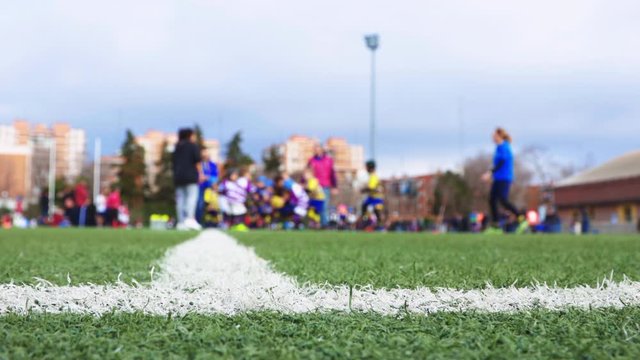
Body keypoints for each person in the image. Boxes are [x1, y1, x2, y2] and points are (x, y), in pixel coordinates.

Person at [482, 128, 528, 234]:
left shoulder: (505, 146)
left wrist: (490, 172)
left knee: (503, 200)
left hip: (505, 178)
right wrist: (491, 173)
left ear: (500, 136)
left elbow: (502, 161)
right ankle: (496, 226)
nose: (492, 137)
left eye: (494, 135)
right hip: (498, 178)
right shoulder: (498, 148)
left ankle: (522, 219)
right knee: (492, 200)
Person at [172, 128, 204, 231]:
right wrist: (201, 174)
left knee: (180, 199)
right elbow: (197, 161)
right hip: (190, 176)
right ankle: (189, 219)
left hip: (178, 177)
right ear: (190, 135)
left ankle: (181, 222)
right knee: (191, 198)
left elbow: (173, 163)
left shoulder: (177, 147)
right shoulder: (192, 146)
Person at [308, 145, 337, 227]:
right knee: (315, 207)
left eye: (318, 149)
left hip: (325, 186)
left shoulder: (328, 160)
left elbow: (332, 174)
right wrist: (304, 182)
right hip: (314, 187)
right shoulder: (311, 160)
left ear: (322, 150)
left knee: (324, 205)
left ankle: (324, 224)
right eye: (315, 149)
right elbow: (307, 172)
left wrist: (334, 186)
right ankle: (316, 223)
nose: (317, 151)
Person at [196, 147, 219, 224]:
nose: (205, 154)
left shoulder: (212, 165)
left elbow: (214, 177)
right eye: (203, 152)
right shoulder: (198, 164)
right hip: (199, 187)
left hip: (210, 189)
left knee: (212, 206)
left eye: (206, 152)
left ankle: (212, 222)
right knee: (199, 205)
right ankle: (198, 221)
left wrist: (207, 178)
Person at [361, 160, 385, 228]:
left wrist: (364, 190)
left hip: (377, 198)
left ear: (369, 167)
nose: (366, 169)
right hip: (371, 197)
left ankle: (380, 227)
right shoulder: (372, 176)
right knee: (364, 206)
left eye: (366, 167)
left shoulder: (374, 176)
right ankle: (365, 221)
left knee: (377, 212)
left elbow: (371, 188)